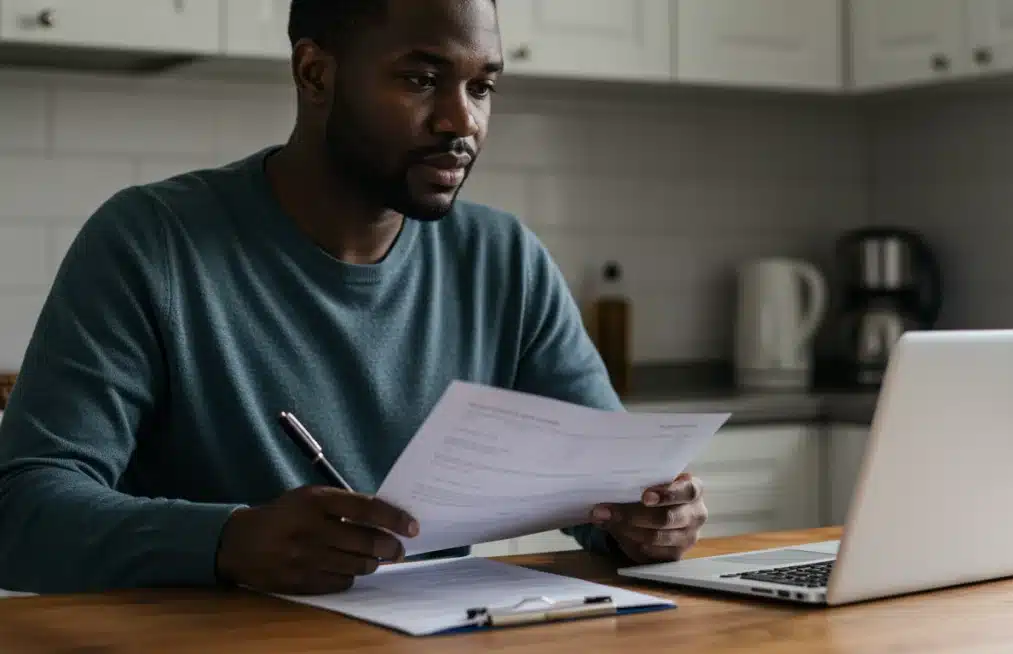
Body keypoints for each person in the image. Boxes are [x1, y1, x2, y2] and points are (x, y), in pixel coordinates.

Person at [0, 0, 708, 596]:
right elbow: (23, 511)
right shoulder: (151, 242)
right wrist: (228, 540)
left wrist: (644, 519)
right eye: (423, 78)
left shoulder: (504, 260)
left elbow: (605, 494)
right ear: (315, 72)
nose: (461, 123)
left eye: (482, 87)